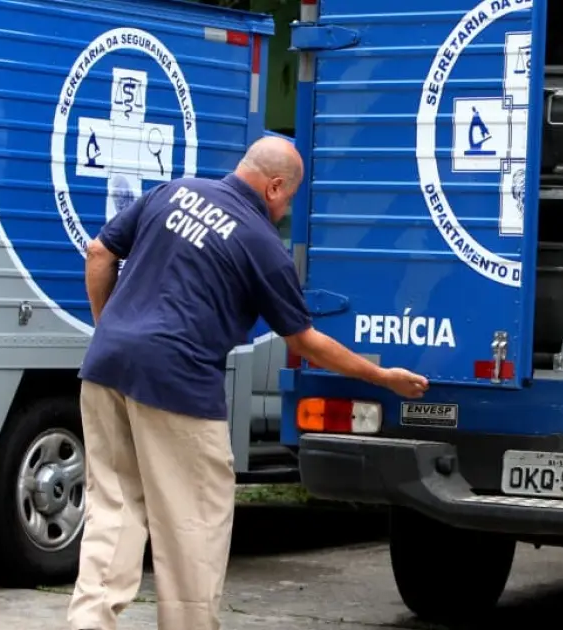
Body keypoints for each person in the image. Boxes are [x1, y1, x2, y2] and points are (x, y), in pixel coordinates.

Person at [67, 136, 429, 630]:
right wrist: (380, 376)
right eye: (288, 198)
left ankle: (89, 623)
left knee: (113, 512)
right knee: (193, 524)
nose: (284, 210)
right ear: (275, 186)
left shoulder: (171, 191)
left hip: (106, 368)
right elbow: (305, 343)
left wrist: (111, 329)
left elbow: (98, 252)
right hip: (180, 386)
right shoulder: (262, 245)